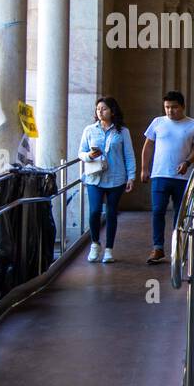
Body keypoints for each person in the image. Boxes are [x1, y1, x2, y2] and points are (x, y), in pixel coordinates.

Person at [140, 91, 194, 264]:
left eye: (174, 107)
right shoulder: (158, 122)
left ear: (183, 107)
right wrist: (144, 168)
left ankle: (179, 246)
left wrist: (187, 161)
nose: (170, 111)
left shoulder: (193, 124)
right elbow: (148, 145)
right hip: (160, 174)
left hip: (182, 177)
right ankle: (158, 248)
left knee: (180, 213)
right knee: (158, 210)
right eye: (167, 107)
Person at [78, 97, 136, 263]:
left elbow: (129, 155)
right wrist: (89, 155)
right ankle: (95, 244)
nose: (100, 112)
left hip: (116, 177)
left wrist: (131, 176)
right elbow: (80, 152)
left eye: (103, 108)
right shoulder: (89, 130)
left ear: (112, 111)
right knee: (95, 211)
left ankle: (109, 249)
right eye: (98, 109)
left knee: (111, 212)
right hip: (94, 177)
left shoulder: (122, 131)